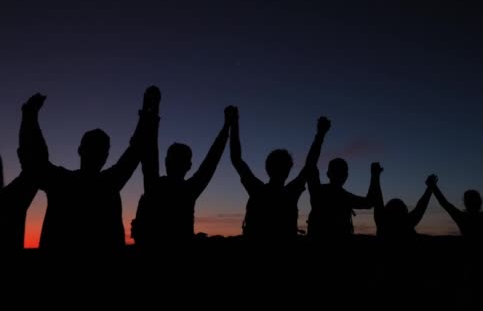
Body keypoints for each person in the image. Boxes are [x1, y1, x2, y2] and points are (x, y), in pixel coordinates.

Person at [22, 89, 156, 251]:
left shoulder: (61, 181)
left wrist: (30, 115)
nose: (97, 153)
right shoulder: (108, 182)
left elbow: (34, 159)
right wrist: (148, 112)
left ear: (80, 150)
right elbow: (135, 150)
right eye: (95, 148)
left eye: (100, 149)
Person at [133, 85, 235, 248]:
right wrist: (226, 127)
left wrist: (152, 112)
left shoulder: (155, 186)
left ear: (166, 162)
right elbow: (211, 162)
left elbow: (151, 151)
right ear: (188, 166)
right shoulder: (186, 191)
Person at [230, 107, 324, 239]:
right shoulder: (291, 193)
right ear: (288, 170)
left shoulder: (257, 190)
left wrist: (233, 122)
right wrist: (320, 135)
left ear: (267, 168)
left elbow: (236, 159)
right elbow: (310, 164)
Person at [306, 116, 382, 238]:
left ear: (328, 174)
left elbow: (310, 164)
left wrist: (320, 134)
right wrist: (375, 176)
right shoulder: (345, 198)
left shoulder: (318, 192)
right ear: (346, 177)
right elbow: (370, 202)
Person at [430, 167, 483, 241]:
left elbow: (444, 203)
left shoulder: (461, 218)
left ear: (465, 203)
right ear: (480, 201)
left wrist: (433, 186)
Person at [373, 168, 434, 241]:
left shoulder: (382, 222)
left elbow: (377, 199)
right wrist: (429, 188)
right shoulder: (407, 223)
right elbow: (421, 207)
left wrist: (375, 176)